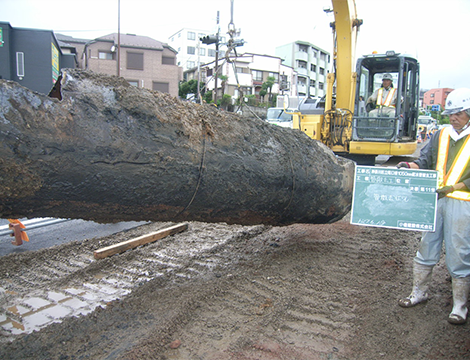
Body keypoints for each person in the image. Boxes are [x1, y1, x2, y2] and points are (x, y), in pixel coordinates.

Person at [396, 88, 470, 324]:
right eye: (450, 113)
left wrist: (456, 187)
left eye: (457, 113)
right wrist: (410, 166)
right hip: (436, 202)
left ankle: (460, 305)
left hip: (462, 205)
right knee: (427, 244)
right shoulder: (441, 134)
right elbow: (425, 161)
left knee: (459, 252)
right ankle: (419, 291)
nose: (453, 117)